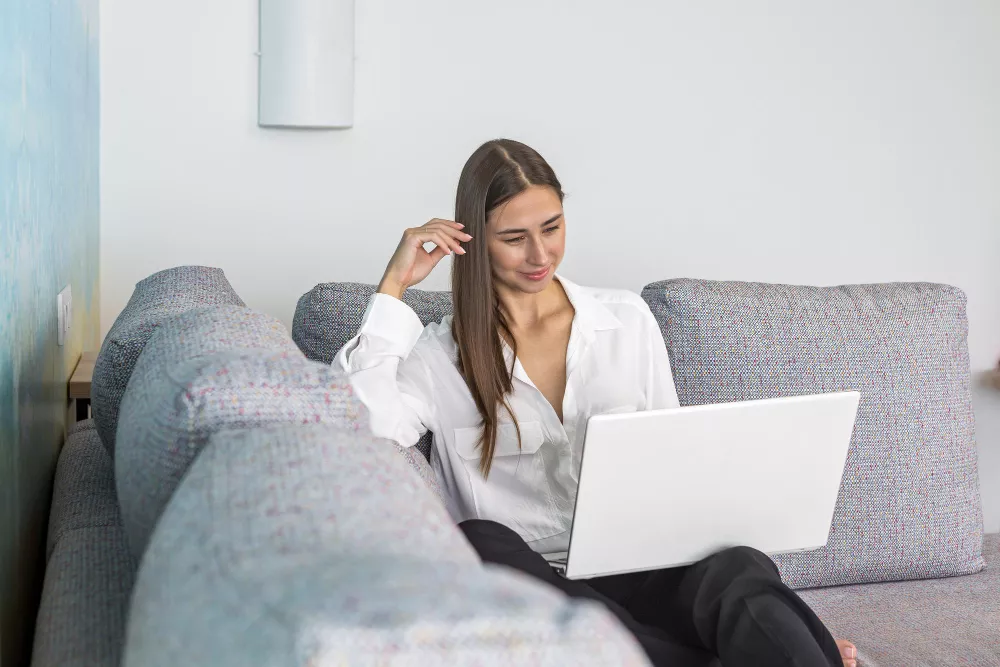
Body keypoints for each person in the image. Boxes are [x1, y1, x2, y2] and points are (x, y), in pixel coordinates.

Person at [334, 139, 857, 667]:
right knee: (475, 542)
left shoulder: (626, 322)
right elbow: (361, 427)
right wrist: (394, 286)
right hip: (537, 589)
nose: (540, 255)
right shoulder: (438, 357)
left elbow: (681, 468)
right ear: (472, 240)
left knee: (740, 565)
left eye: (552, 228)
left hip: (641, 570)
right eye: (514, 238)